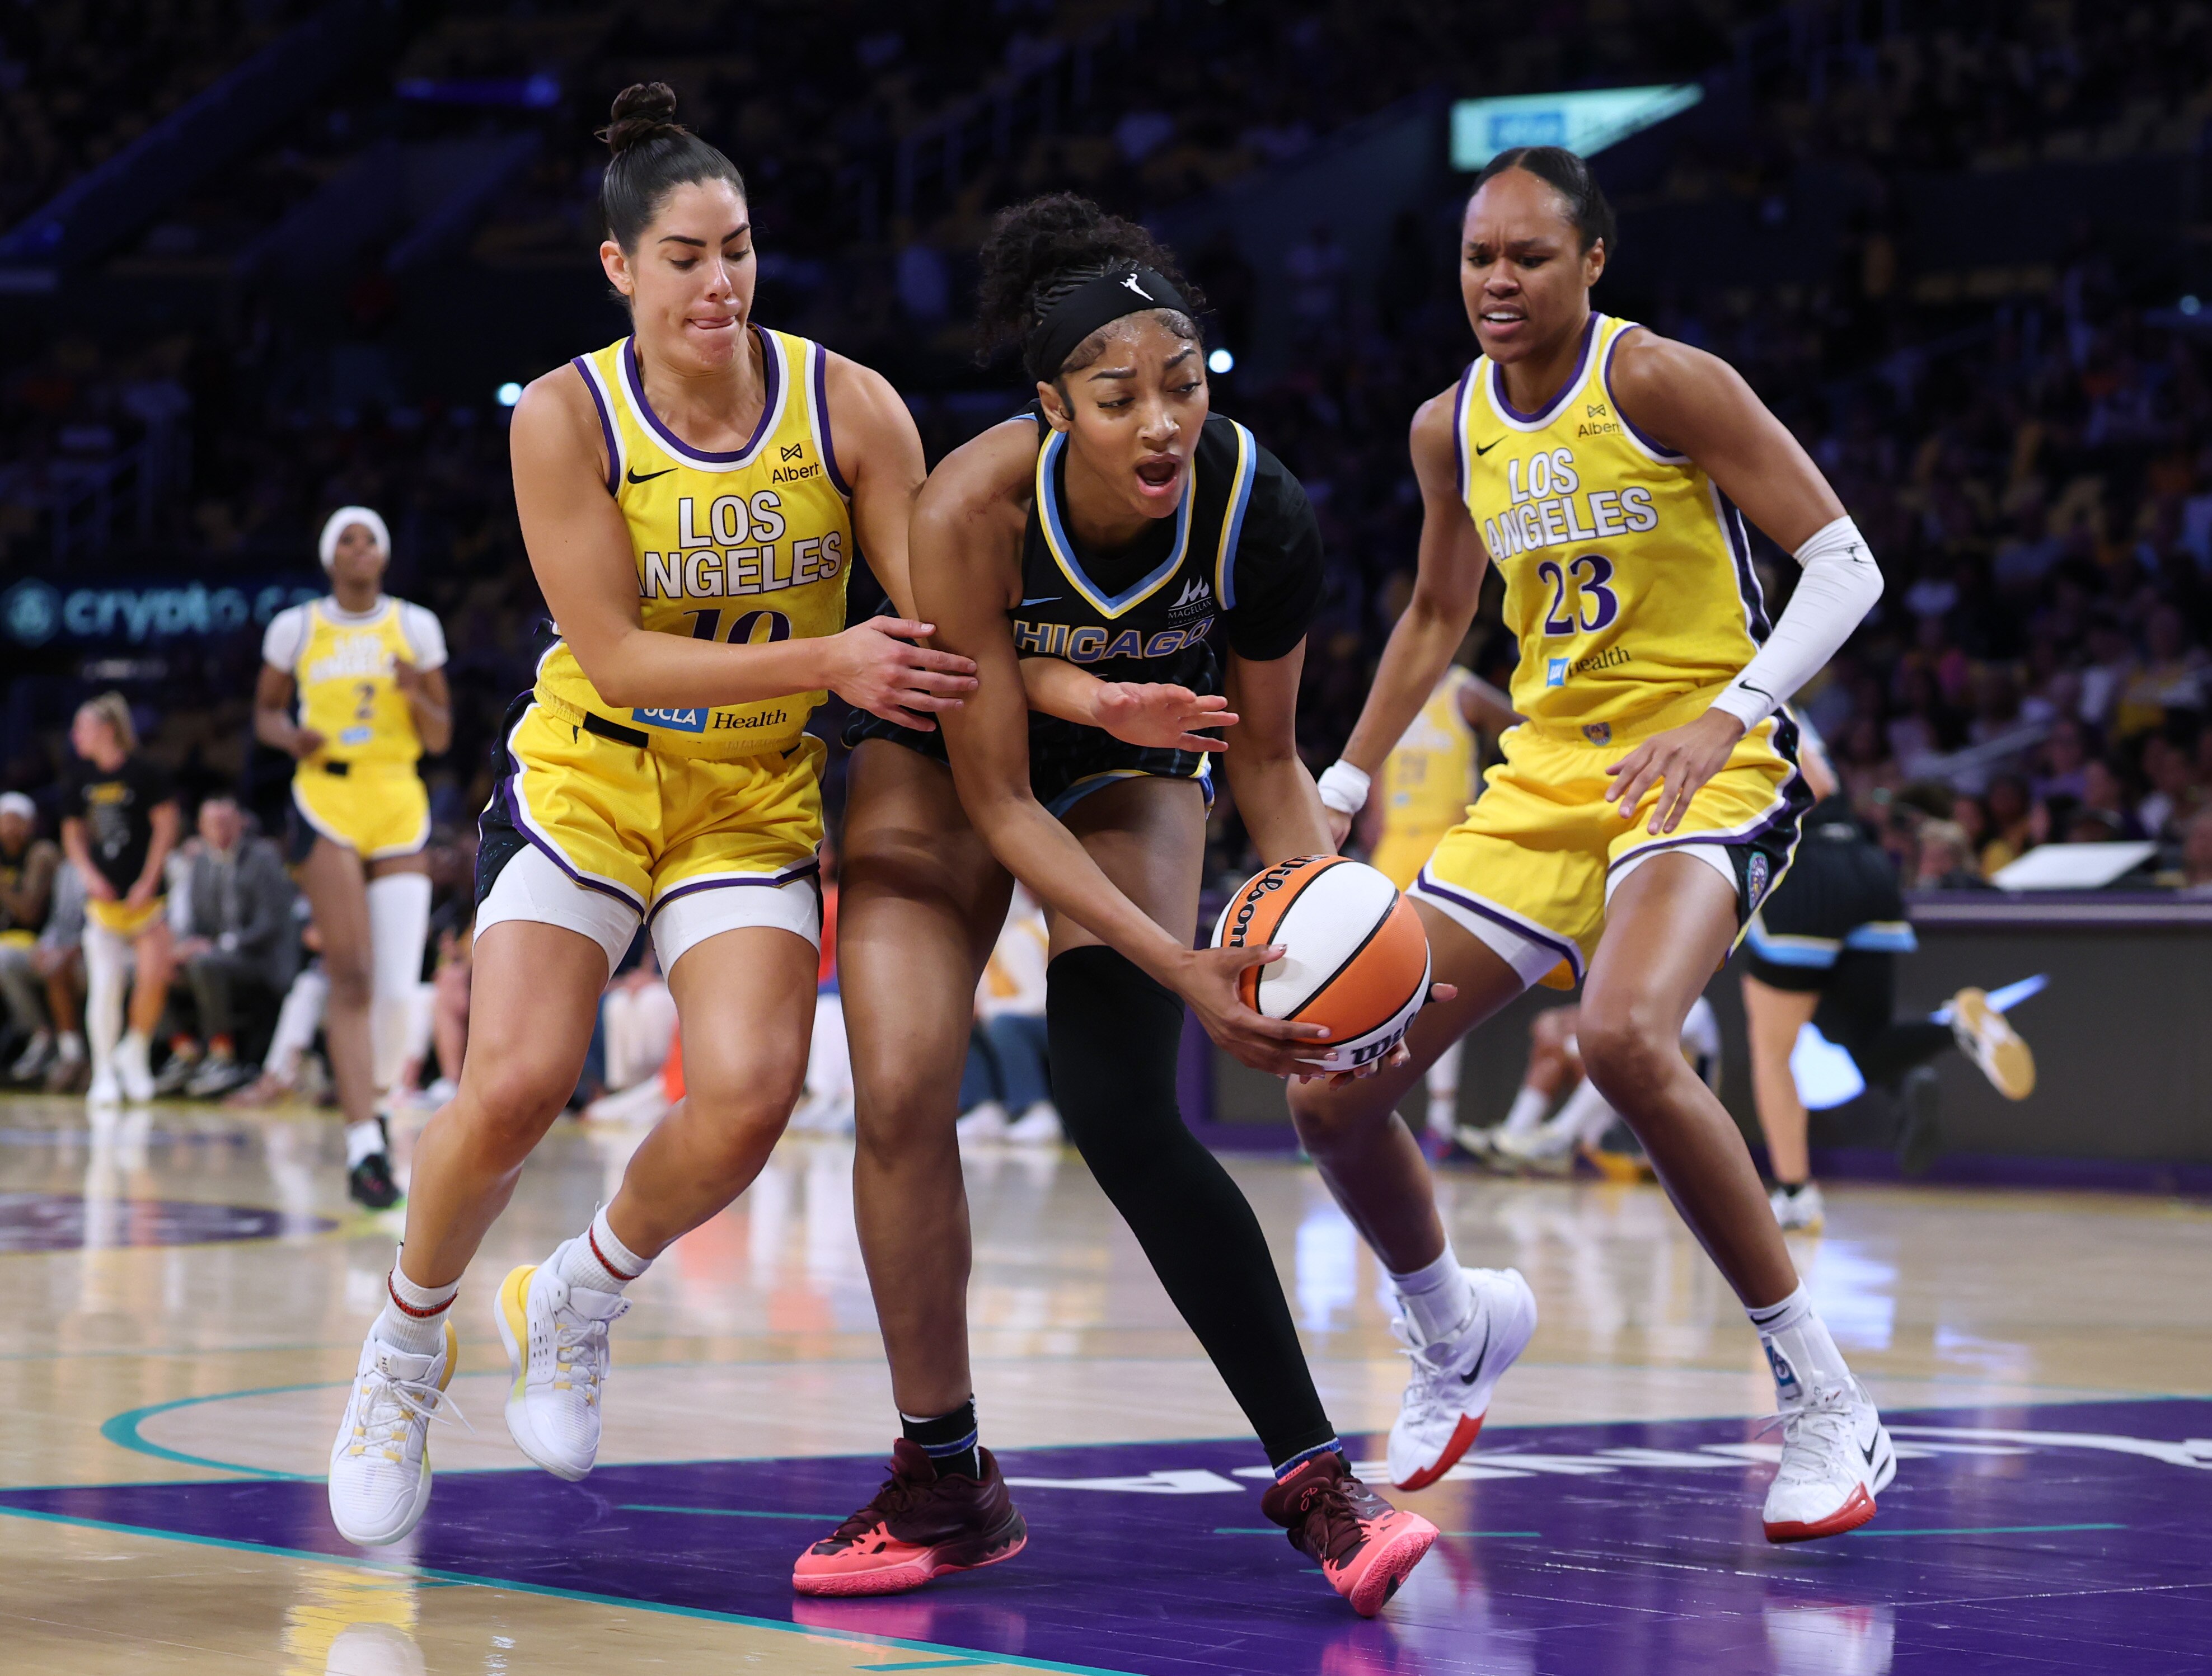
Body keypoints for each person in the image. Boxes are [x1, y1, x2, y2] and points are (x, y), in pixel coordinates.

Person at [323, 82, 972, 1551]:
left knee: (747, 1097)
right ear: (621, 268)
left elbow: (937, 620)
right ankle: (402, 1353)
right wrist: (828, 659)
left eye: (737, 248)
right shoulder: (566, 415)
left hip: (749, 792)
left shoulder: (847, 402)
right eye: (685, 255)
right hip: (594, 769)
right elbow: (612, 649)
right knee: (514, 1084)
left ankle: (575, 1293)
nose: (721, 281)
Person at [809, 193, 1443, 1617]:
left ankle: (1318, 1480)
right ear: (1051, 407)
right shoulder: (969, 503)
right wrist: (1181, 959)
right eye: (1117, 396)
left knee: (1119, 1104)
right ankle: (943, 1474)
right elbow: (998, 799)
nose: (1161, 421)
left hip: (1134, 757)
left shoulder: (1256, 509)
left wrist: (1337, 953)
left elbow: (1271, 761)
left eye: (1183, 383)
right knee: (903, 1090)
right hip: (954, 752)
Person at [1292, 146, 1895, 1542]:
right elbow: (1438, 616)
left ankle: (1822, 1398)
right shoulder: (1447, 427)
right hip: (1545, 777)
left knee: (1625, 1037)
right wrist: (1342, 778)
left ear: (1591, 264)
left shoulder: (1659, 381)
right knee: (1332, 1084)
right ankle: (1454, 1324)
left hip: (1707, 755)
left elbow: (1845, 563)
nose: (1496, 281)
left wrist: (1733, 710)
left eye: (1527, 257)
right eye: (1475, 259)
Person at [1743, 727, 2035, 1231]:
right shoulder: (1785, 691)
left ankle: (1796, 1192)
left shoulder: (1733, 690)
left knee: (1772, 1054)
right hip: (1866, 867)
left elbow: (1811, 782)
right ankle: (1957, 1030)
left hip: (1805, 869)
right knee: (1861, 1039)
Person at [256, 508, 451, 1206]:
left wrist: (413, 692)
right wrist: (290, 737)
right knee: (353, 974)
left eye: (370, 538)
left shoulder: (416, 626)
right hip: (326, 799)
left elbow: (439, 735)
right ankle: (363, 1140)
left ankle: (377, 1103)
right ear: (328, 554)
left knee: (400, 989)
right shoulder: (297, 627)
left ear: (386, 555)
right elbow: (265, 713)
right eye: (346, 537)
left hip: (398, 798)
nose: (359, 548)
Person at [1360, 658, 1517, 1141]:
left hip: (1444, 838)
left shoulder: (1461, 689)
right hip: (1393, 844)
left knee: (1439, 980)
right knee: (1365, 977)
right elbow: (1374, 765)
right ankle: (1352, 1108)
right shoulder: (1391, 691)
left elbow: (1524, 726)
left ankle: (1441, 1124)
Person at [61, 694, 181, 1107]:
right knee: (106, 986)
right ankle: (105, 1071)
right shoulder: (79, 777)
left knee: (154, 977)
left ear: (107, 730)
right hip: (105, 902)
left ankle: (136, 1051)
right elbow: (73, 834)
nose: (76, 736)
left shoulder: (145, 772)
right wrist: (89, 876)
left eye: (83, 727)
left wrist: (148, 881)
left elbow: (166, 828)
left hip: (145, 900)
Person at [1464, 995, 1721, 1175]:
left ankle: (1559, 1137)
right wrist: (1563, 1023)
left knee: (1611, 1054)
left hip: (1650, 1135)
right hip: (1613, 1118)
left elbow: (1631, 1041)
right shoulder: (1632, 1000)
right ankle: (1516, 1133)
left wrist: (1575, 1037)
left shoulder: (1693, 1008)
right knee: (1554, 1041)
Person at [163, 795, 298, 1097]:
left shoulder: (264, 857)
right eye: (213, 824)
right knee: (158, 965)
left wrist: (218, 946)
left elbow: (270, 923)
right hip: (220, 958)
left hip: (262, 960)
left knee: (206, 963)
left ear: (241, 823)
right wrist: (186, 946)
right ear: (201, 827)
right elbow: (196, 922)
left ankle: (222, 1056)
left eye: (227, 823)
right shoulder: (200, 861)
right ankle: (184, 1051)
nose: (220, 830)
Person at [954, 885, 1060, 1145]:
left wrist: (987, 1011)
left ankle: (1036, 1109)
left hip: (1059, 1022)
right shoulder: (987, 945)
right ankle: (982, 1108)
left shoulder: (1022, 935)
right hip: (1024, 1019)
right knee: (962, 1023)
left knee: (1004, 1026)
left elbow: (1040, 1000)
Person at [1, 791, 62, 1080]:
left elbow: (29, 913)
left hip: (40, 944)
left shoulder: (42, 854)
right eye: (4, 822)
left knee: (3, 960)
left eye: (16, 822)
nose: (10, 828)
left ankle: (42, 1036)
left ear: (30, 825)